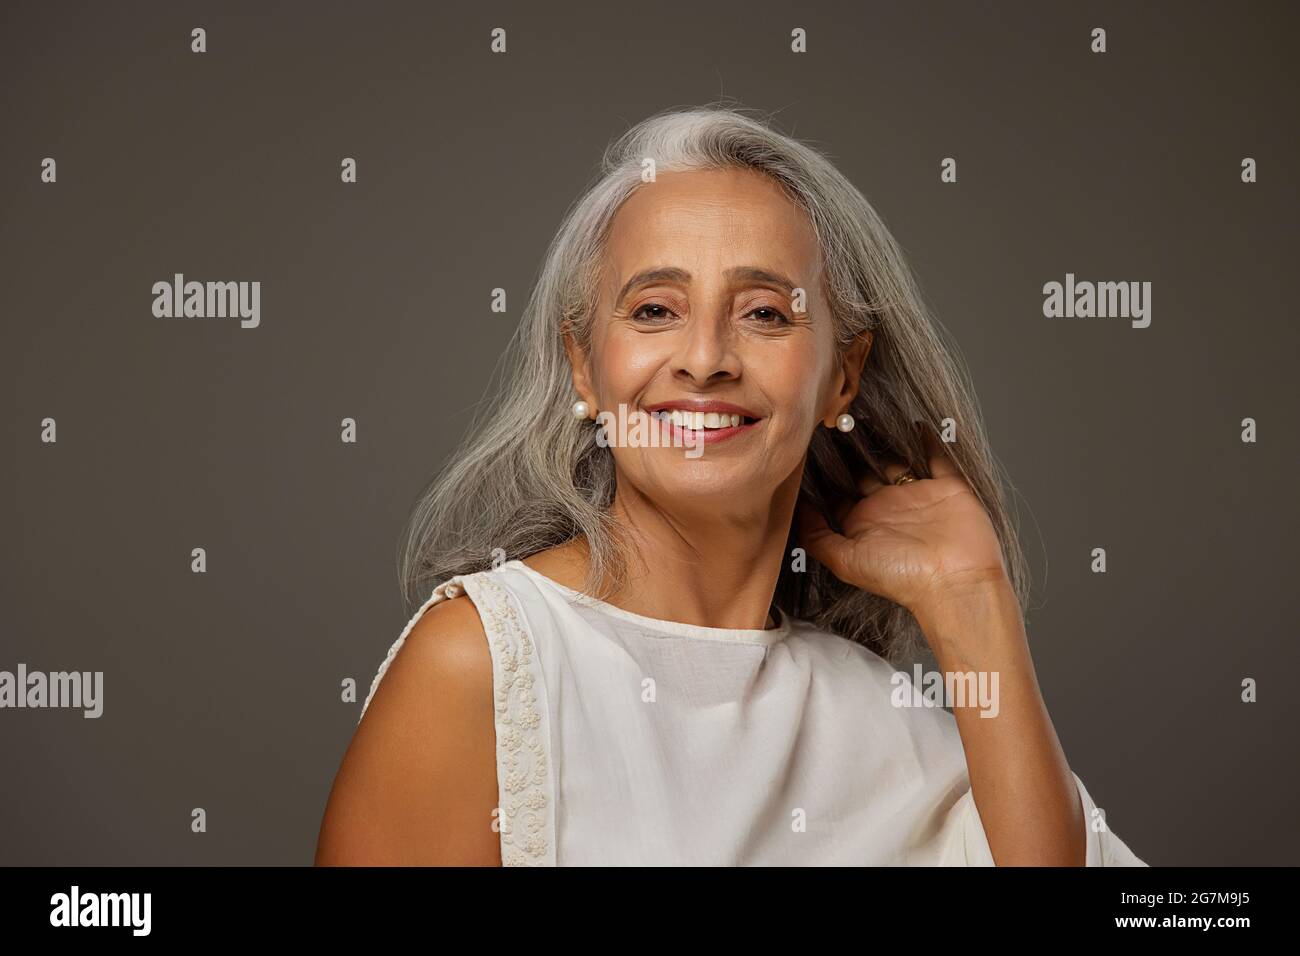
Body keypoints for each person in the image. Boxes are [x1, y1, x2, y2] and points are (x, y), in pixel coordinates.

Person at [315, 105, 1146, 867]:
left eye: (765, 313)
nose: (705, 357)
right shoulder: (486, 663)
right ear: (583, 366)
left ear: (841, 379)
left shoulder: (890, 717)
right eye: (652, 311)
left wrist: (974, 604)